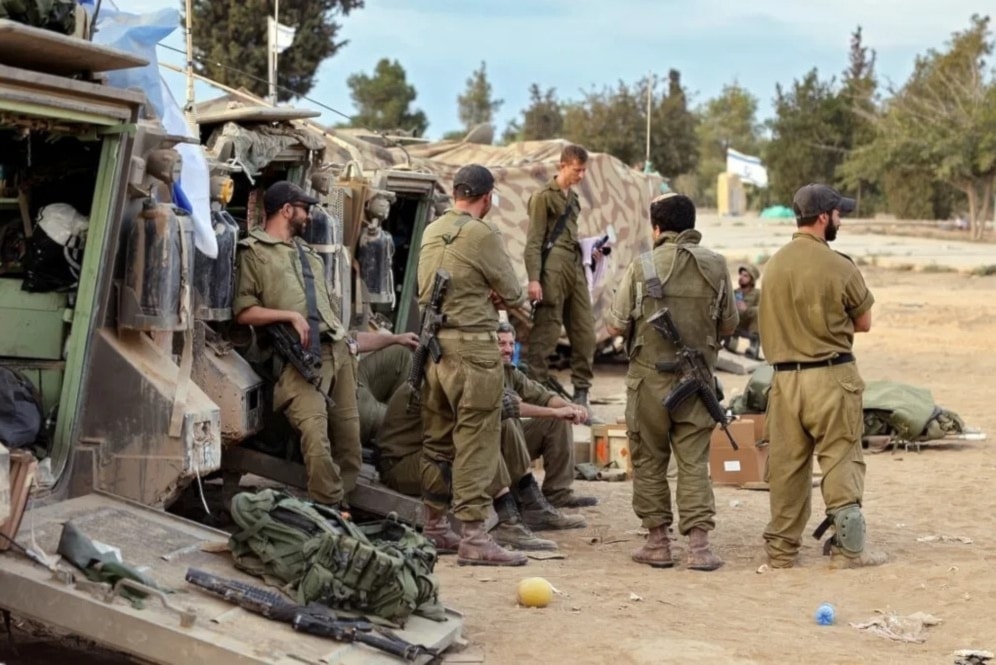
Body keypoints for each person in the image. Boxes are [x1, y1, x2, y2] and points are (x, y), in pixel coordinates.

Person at [607, 193, 738, 571]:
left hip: (648, 381)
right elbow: (729, 324)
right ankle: (699, 547)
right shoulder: (716, 266)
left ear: (657, 228)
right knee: (694, 461)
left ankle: (658, 542)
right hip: (696, 384)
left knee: (649, 459)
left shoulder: (642, 265)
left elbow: (616, 324)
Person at [758, 183, 886, 570]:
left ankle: (781, 551)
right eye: (837, 213)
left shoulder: (774, 264)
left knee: (787, 467)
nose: (840, 219)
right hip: (831, 377)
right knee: (841, 458)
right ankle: (849, 552)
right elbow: (863, 322)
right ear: (823, 217)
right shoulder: (839, 265)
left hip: (783, 382)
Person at [416, 164, 527, 566]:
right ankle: (475, 537)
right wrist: (494, 294)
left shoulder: (432, 231)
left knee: (438, 441)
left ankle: (434, 526)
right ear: (487, 197)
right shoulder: (483, 233)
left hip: (436, 349)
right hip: (474, 352)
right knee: (477, 441)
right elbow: (513, 291)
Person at [234, 181, 360, 508]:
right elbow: (243, 311)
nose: (308, 216)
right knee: (316, 439)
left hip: (338, 352)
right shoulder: (254, 252)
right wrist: (288, 315)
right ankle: (327, 510)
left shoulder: (308, 255)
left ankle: (338, 507)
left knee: (349, 442)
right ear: (286, 210)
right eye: (304, 209)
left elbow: (328, 307)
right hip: (300, 360)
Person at [523, 144, 600, 417]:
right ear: (562, 166)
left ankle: (581, 390)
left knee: (585, 332)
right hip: (552, 270)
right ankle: (536, 388)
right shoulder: (543, 197)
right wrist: (534, 279)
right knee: (547, 331)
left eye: (583, 171)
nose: (580, 175)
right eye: (576, 170)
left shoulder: (574, 200)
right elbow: (533, 243)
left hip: (574, 266)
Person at [496, 322, 598, 510]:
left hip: (511, 444)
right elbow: (512, 407)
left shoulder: (510, 372)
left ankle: (558, 493)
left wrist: (571, 407)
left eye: (511, 344)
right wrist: (555, 412)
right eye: (501, 344)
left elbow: (543, 396)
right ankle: (521, 493)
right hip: (491, 451)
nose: (508, 350)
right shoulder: (484, 372)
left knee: (557, 421)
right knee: (511, 420)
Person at [354, 333, 417, 445]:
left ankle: (391, 430)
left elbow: (351, 339)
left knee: (402, 354)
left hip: (351, 370)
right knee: (408, 427)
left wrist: (396, 338)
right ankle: (392, 437)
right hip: (335, 392)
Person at [722, 264, 762, 359]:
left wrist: (746, 309)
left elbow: (763, 310)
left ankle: (753, 347)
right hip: (734, 323)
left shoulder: (758, 293)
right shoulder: (734, 292)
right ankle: (728, 343)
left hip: (750, 325)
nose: (741, 278)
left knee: (757, 311)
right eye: (741, 275)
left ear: (752, 279)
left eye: (745, 276)